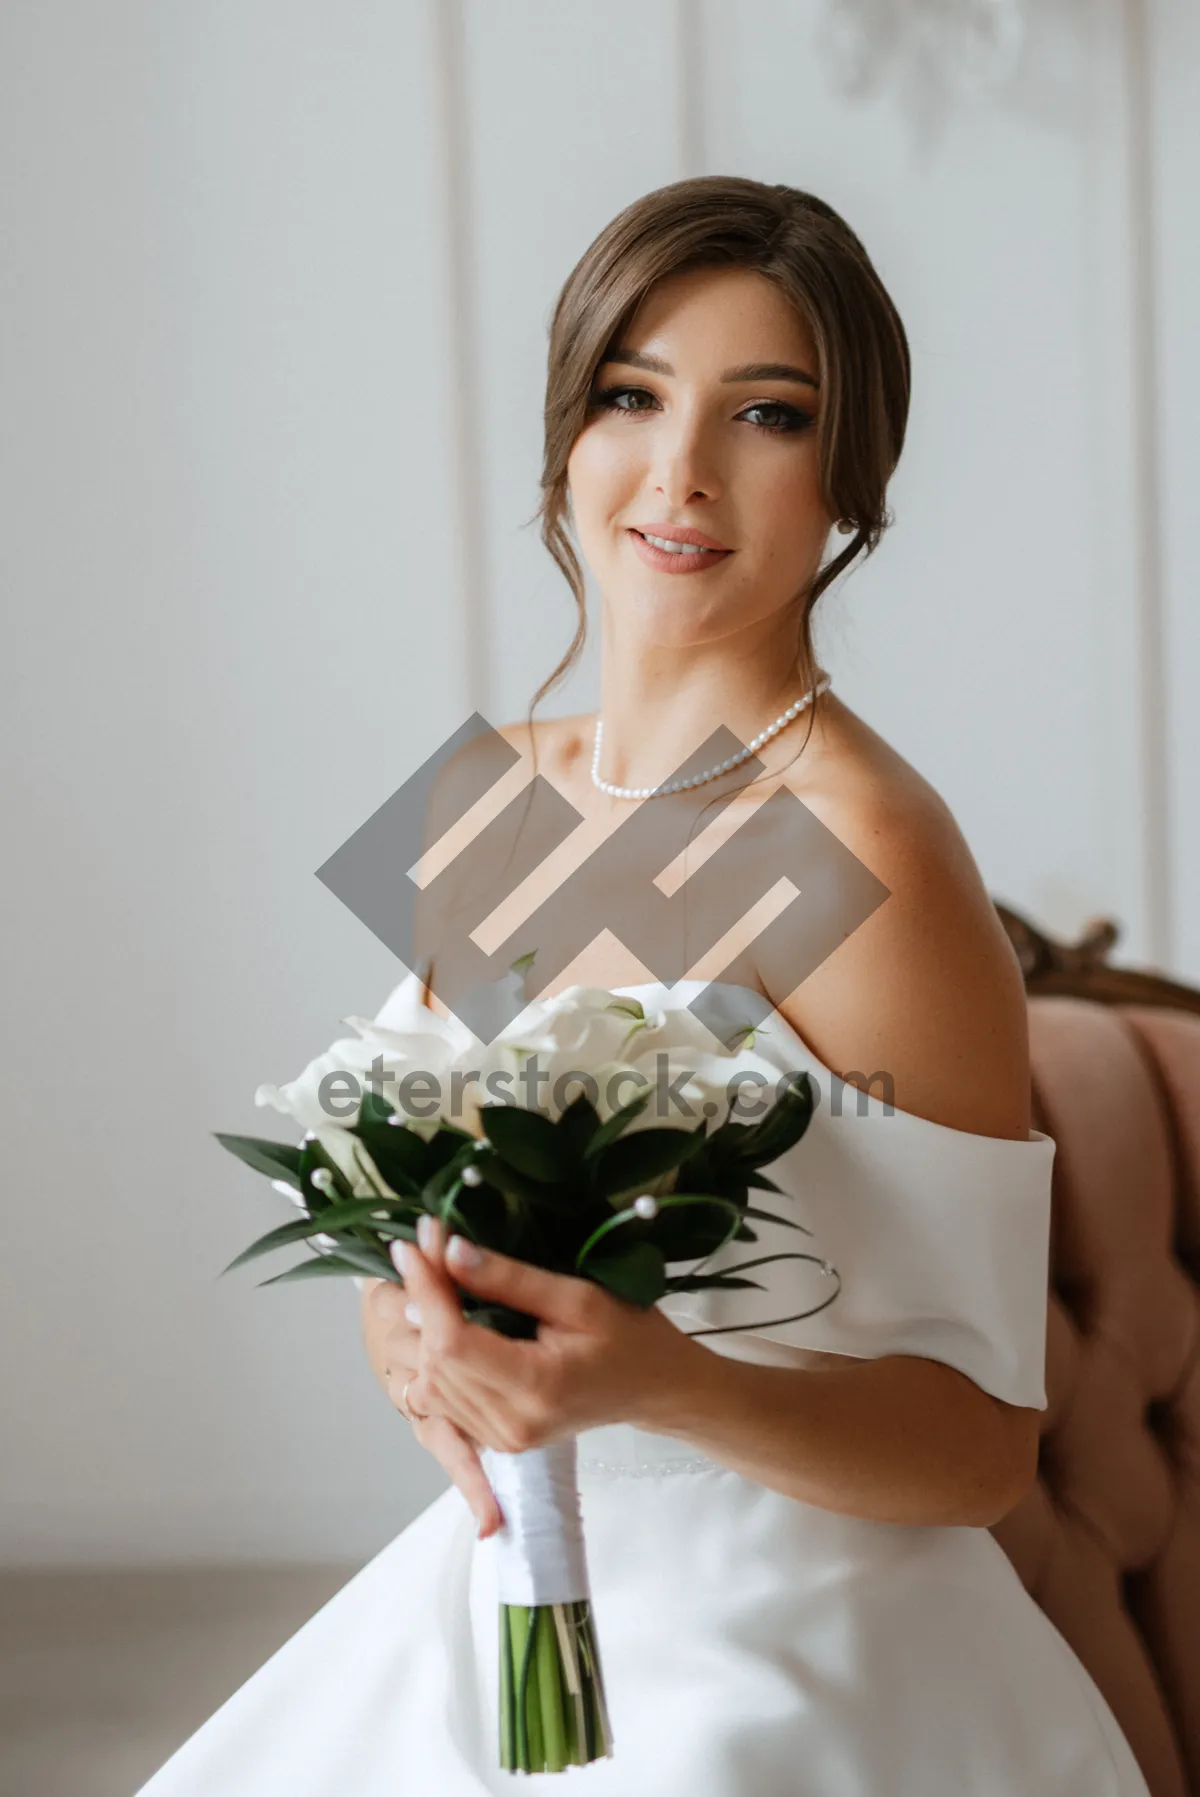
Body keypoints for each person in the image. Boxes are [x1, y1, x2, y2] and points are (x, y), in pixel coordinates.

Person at [136, 176, 1152, 1794]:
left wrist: (662, 1380)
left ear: (851, 481)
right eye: (632, 395)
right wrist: (409, 1343)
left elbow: (980, 1451)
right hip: (510, 1598)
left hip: (800, 1656)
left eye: (769, 413)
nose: (681, 472)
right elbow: (429, 1214)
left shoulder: (870, 845)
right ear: (566, 435)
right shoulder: (487, 794)